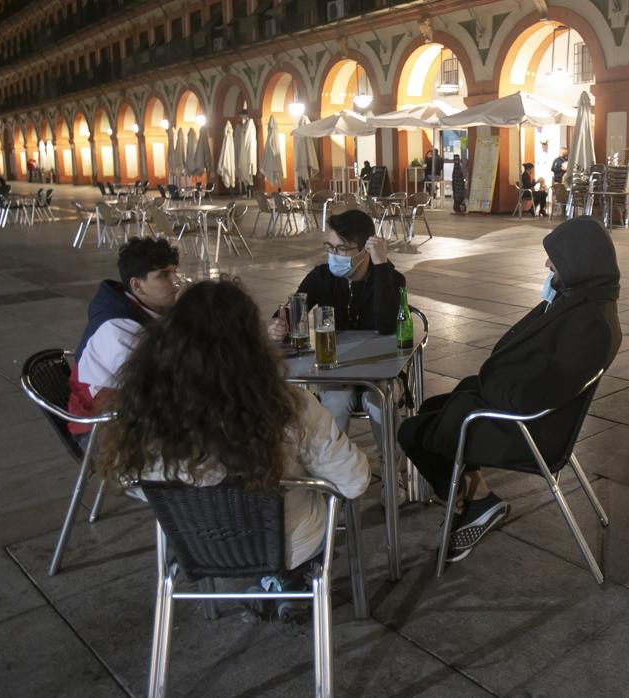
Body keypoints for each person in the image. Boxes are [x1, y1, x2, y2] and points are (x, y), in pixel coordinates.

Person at [95, 279, 370, 579]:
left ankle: (266, 587)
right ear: (252, 344)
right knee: (320, 494)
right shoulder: (289, 407)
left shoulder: (146, 409)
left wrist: (189, 493)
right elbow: (354, 481)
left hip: (197, 546)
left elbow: (127, 478)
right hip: (290, 546)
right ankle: (280, 583)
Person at [398, 218, 621, 562]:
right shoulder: (582, 302)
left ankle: (471, 502)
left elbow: (535, 396)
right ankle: (475, 498)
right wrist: (549, 305)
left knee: (412, 431)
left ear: (579, 261)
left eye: (555, 259)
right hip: (526, 414)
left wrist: (491, 384)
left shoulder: (590, 324)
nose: (548, 265)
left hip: (532, 432)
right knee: (432, 408)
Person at [266, 210, 405, 449]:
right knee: (336, 400)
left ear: (365, 250)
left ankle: (394, 473)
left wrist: (381, 265)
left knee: (379, 401)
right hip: (337, 372)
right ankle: (333, 475)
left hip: (382, 371)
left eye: (341, 249)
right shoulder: (321, 278)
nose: (333, 255)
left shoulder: (390, 278)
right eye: (329, 247)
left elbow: (386, 325)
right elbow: (291, 312)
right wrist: (277, 325)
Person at [68, 238, 181, 445]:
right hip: (101, 430)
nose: (176, 281)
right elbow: (159, 387)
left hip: (134, 412)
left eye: (175, 271)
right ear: (137, 285)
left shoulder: (143, 307)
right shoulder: (117, 329)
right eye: (164, 275)